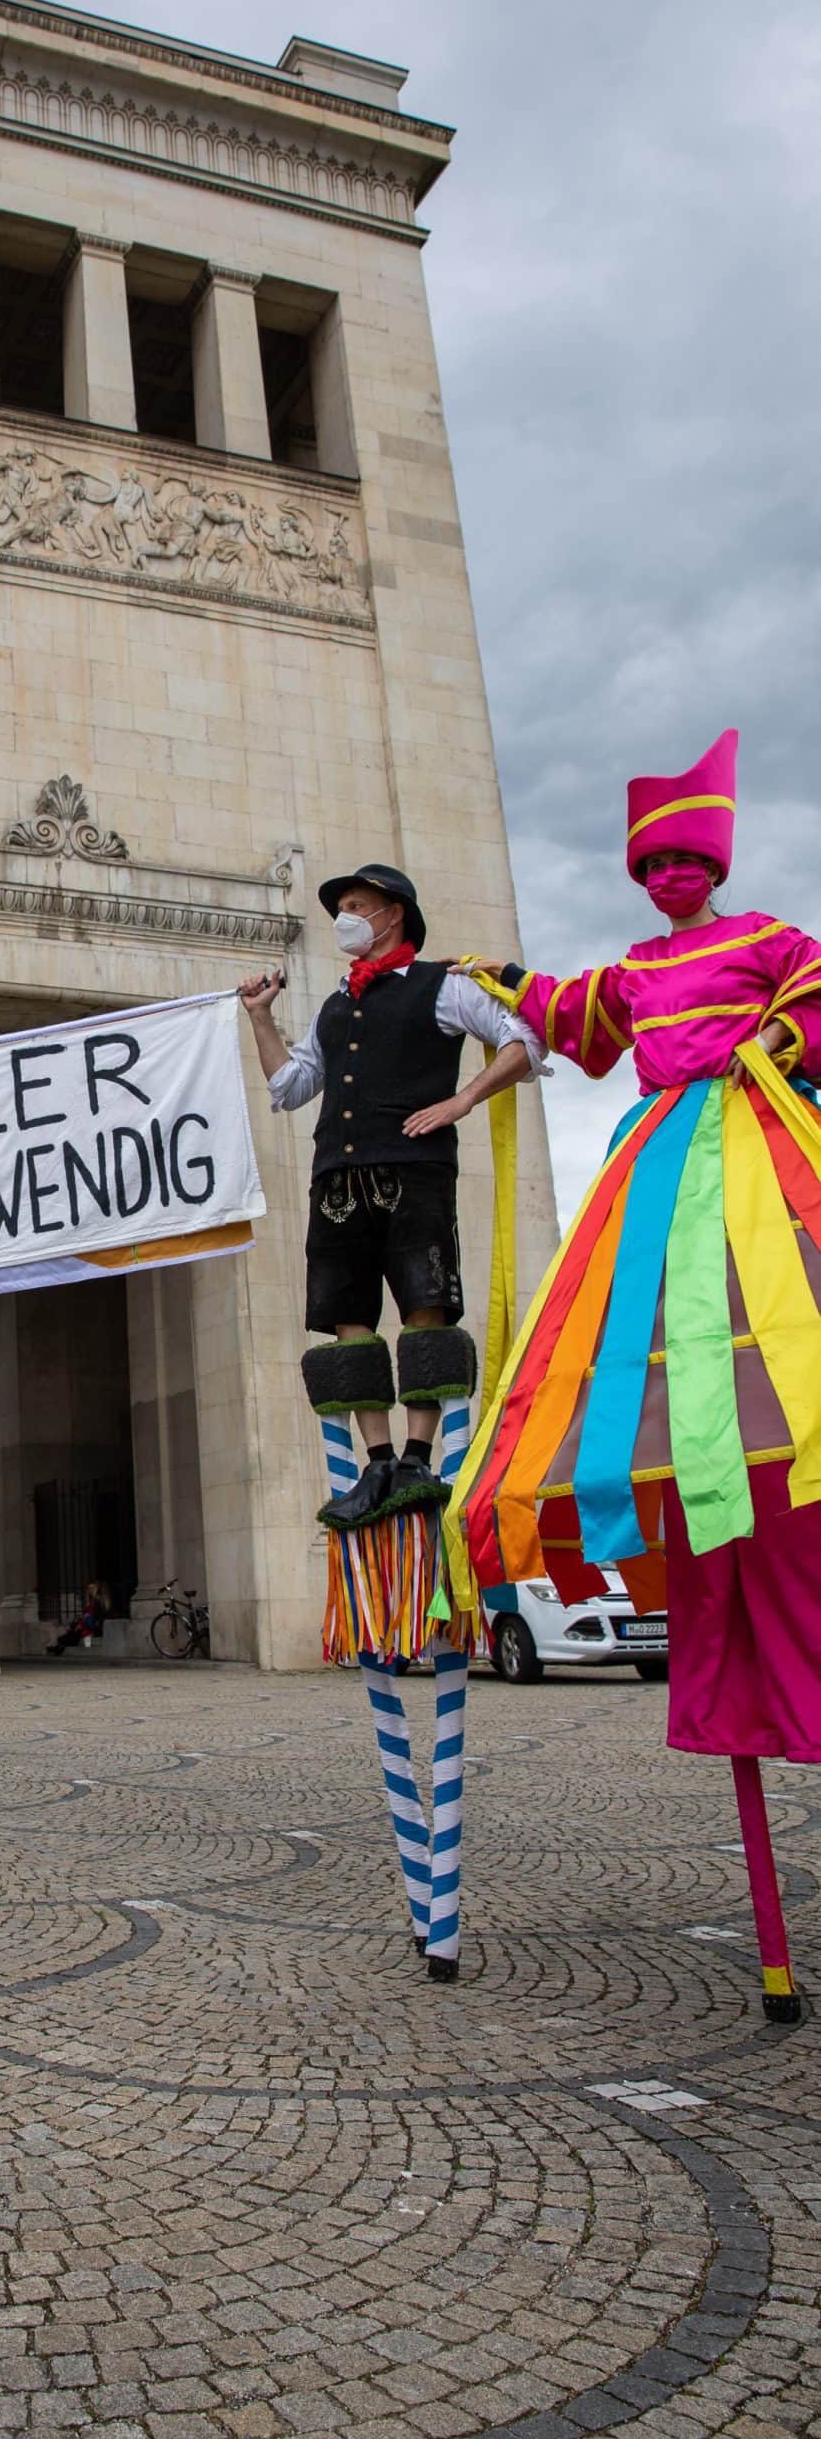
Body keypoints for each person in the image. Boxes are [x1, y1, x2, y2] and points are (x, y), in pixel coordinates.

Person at [447, 731, 821, 2018]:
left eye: (684, 860)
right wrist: (496, 979)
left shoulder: (767, 939)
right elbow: (572, 1019)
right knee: (659, 1385)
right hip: (654, 1178)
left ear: (714, 865)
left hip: (758, 1153)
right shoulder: (633, 972)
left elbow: (815, 993)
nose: (668, 878)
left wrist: (773, 1046)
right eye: (650, 864)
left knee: (779, 1347)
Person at [239, 863, 541, 1529]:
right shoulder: (335, 1003)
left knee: (425, 1308)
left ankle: (417, 1456)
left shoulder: (442, 985)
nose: (344, 918)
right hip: (337, 1178)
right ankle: (375, 1461)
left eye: (355, 905)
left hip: (414, 1170)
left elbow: (523, 1039)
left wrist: (461, 1100)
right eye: (342, 908)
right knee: (347, 1317)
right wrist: (261, 1018)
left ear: (393, 912)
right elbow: (290, 1087)